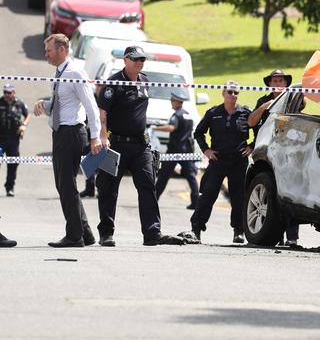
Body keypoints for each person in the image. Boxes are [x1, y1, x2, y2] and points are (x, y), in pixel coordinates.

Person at [95, 45, 183, 247]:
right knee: (108, 189)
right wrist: (103, 136)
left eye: (142, 59)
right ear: (125, 60)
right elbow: (102, 112)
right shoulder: (113, 83)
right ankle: (106, 233)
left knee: (147, 186)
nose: (139, 63)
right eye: (135, 59)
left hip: (140, 146)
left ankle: (152, 233)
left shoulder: (144, 80)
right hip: (115, 143)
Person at [33, 33, 102, 248]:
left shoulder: (75, 73)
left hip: (72, 132)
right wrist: (44, 104)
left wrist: (95, 136)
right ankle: (86, 233)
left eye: (49, 51)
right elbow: (61, 102)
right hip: (62, 132)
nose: (46, 55)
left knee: (66, 184)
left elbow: (90, 106)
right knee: (65, 184)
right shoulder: (60, 72)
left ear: (62, 49)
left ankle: (74, 236)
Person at [189, 80, 251, 243]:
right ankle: (196, 228)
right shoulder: (213, 112)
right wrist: (206, 150)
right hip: (218, 160)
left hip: (238, 161)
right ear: (223, 93)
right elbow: (198, 132)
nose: (232, 95)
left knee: (238, 197)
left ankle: (239, 231)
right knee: (208, 195)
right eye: (229, 92)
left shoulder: (246, 112)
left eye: (235, 92)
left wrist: (252, 146)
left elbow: (260, 130)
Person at [248, 70, 299, 246]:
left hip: (288, 152)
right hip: (266, 154)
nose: (277, 83)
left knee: (289, 192)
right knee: (270, 193)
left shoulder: (293, 100)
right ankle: (273, 235)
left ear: (286, 83)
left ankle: (292, 238)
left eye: (281, 80)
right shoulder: (263, 100)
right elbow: (250, 122)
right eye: (274, 80)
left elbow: (303, 106)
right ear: (269, 83)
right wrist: (265, 107)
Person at [152, 90, 199, 209]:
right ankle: (196, 201)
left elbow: (171, 127)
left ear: (178, 101)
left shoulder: (176, 115)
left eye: (172, 100)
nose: (171, 102)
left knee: (163, 176)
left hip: (174, 151)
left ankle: (154, 199)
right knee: (191, 176)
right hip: (187, 150)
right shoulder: (187, 114)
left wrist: (156, 128)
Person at [0, 84, 31, 197]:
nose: (7, 95)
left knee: (13, 163)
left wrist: (24, 125)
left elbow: (28, 115)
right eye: (5, 92)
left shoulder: (19, 103)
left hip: (13, 139)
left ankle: (10, 187)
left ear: (14, 93)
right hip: (0, 139)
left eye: (9, 92)